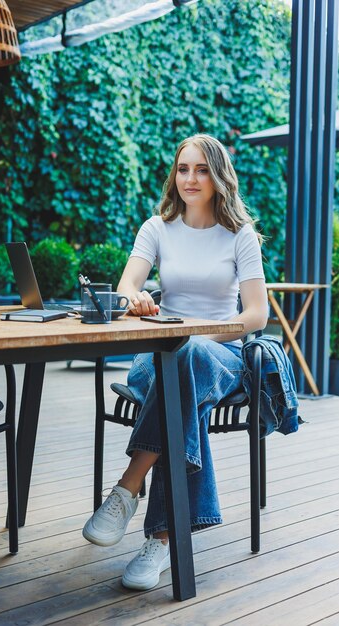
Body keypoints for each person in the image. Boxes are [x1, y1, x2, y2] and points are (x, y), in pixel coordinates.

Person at [82, 133, 268, 591]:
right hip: (158, 352)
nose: (190, 178)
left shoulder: (240, 236)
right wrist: (137, 300)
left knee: (187, 358)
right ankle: (162, 540)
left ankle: (127, 488)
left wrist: (196, 332)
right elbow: (127, 286)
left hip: (220, 355)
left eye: (201, 169)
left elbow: (256, 314)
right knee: (182, 389)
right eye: (183, 168)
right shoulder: (157, 228)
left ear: (218, 176)